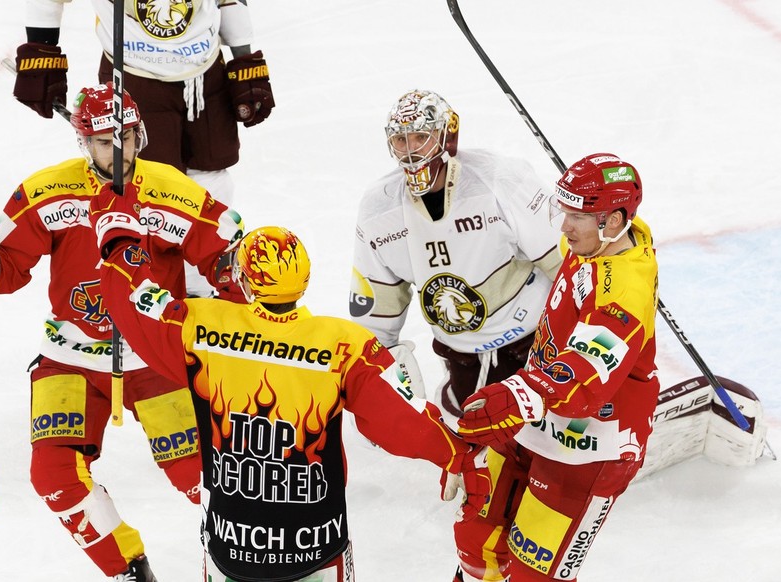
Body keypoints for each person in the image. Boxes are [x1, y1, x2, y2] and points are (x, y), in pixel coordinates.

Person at [0, 83, 245, 581]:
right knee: (52, 475)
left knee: (205, 478)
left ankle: (250, 565)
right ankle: (128, 570)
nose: (117, 151)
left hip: (156, 355)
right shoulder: (46, 191)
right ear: (82, 142)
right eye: (101, 141)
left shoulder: (174, 191)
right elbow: (1, 266)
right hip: (71, 356)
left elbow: (227, 256)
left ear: (141, 135)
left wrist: (248, 289)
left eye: (127, 138)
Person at [86, 196, 493, 581]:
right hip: (315, 545)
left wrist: (119, 235)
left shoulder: (200, 326)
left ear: (244, 280)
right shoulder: (344, 344)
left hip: (232, 546)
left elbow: (134, 301)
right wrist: (455, 453)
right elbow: (400, 419)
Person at [454, 153, 660, 581]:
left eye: (577, 217)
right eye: (563, 211)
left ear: (615, 219)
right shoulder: (597, 240)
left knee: (533, 574)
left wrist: (518, 394)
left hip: (588, 449)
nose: (563, 227)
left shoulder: (623, 290)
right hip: (535, 421)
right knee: (477, 545)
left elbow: (586, 375)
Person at [349, 89, 563, 420]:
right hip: (461, 353)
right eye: (401, 140)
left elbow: (566, 261)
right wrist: (375, 369)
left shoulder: (498, 180)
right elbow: (377, 307)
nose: (410, 150)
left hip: (534, 341)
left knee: (548, 432)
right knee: (472, 435)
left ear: (447, 135)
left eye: (421, 136)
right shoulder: (379, 210)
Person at [12, 0, 274, 203]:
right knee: (147, 185)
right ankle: (150, 266)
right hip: (134, 78)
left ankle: (211, 263)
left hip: (206, 75)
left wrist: (243, 58)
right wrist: (41, 51)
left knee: (213, 175)